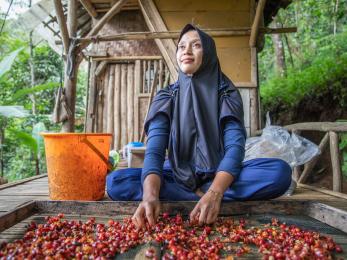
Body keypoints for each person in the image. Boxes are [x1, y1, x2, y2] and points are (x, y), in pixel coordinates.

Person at [106, 24, 292, 228]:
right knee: (115, 183)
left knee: (279, 173)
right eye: (182, 46)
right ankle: (201, 197)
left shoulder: (226, 94)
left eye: (196, 45)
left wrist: (215, 191)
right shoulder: (166, 96)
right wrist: (149, 195)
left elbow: (235, 148)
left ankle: (206, 196)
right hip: (177, 173)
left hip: (220, 174)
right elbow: (155, 152)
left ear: (209, 53)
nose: (186, 50)